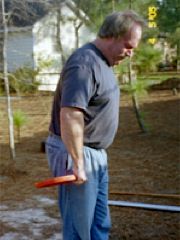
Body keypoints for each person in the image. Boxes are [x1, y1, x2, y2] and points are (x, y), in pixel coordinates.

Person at [46, 10, 145, 240]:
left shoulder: (103, 62)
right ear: (112, 36)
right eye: (128, 46)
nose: (130, 54)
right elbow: (71, 115)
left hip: (95, 154)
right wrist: (78, 162)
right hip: (79, 153)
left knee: (99, 224)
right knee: (80, 230)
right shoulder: (84, 63)